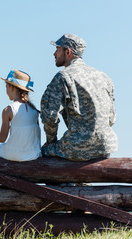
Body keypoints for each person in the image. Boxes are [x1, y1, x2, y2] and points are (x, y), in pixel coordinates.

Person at [41, 33, 118, 161]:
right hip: (106, 146)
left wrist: (51, 141)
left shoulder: (64, 76)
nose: (54, 54)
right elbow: (111, 118)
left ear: (68, 52)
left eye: (58, 49)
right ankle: (82, 182)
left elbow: (49, 115)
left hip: (78, 146)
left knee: (42, 154)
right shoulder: (104, 77)